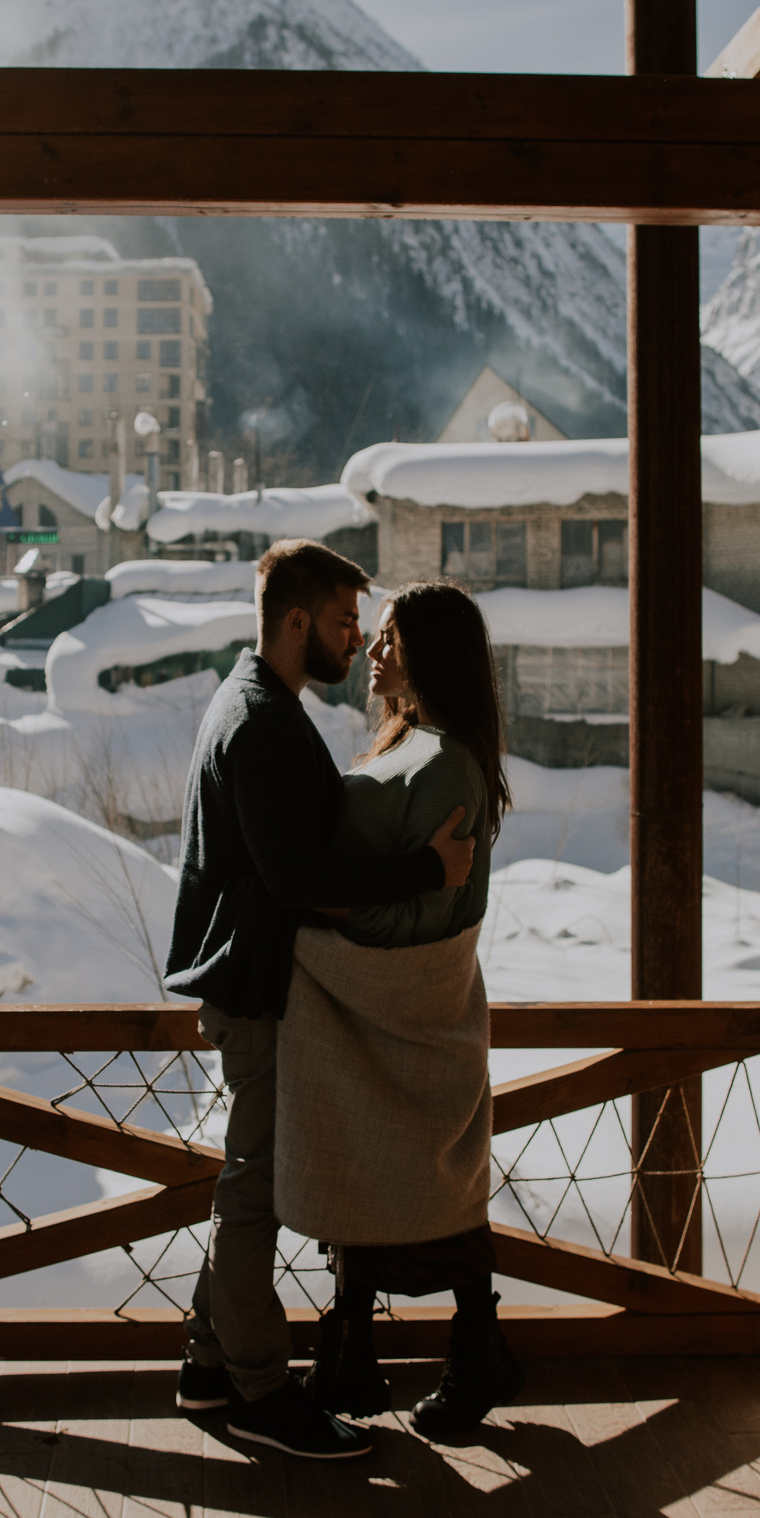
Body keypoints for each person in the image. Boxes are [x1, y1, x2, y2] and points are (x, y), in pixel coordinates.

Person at [165, 541, 475, 1461]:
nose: (354, 640)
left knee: (247, 1180)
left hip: (253, 983)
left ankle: (208, 1363)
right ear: (296, 621)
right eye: (345, 622)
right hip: (254, 989)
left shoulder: (255, 704)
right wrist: (427, 868)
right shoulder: (259, 719)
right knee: (253, 1190)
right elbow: (299, 875)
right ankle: (261, 1391)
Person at [273, 582, 521, 1437]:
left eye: (391, 637)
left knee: (432, 1197)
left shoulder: (448, 762)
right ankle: (349, 1355)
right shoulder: (410, 741)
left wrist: (314, 913)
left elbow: (426, 916)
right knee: (365, 1175)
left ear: (432, 652)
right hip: (366, 1017)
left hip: (408, 1011)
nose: (372, 651)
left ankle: (468, 1356)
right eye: (374, 635)